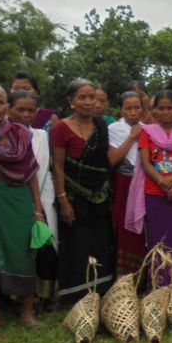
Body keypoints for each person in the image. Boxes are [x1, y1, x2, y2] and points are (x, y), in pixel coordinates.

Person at [0, 83, 44, 340]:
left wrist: (37, 210)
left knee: (23, 253)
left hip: (16, 199)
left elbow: (31, 173)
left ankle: (27, 313)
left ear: (7, 105)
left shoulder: (19, 135)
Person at [51, 79, 114, 305]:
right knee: (77, 244)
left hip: (100, 197)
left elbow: (106, 161)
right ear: (71, 101)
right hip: (73, 197)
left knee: (100, 242)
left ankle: (102, 292)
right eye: (83, 97)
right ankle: (75, 296)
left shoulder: (101, 125)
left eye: (93, 97)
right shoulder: (61, 128)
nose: (89, 102)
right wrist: (63, 200)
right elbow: (57, 166)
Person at [128, 90, 172, 288]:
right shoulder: (147, 132)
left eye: (170, 108)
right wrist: (163, 183)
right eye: (161, 108)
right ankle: (158, 284)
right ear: (154, 110)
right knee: (158, 240)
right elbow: (146, 163)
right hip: (154, 194)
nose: (165, 112)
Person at [8, 90, 59, 301]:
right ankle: (13, 295)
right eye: (20, 109)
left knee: (46, 243)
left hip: (43, 194)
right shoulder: (2, 135)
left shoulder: (41, 135)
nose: (25, 114)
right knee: (16, 247)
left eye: (30, 110)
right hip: (13, 197)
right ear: (9, 109)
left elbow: (47, 166)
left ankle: (45, 295)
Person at [107, 92, 146, 276]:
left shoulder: (148, 129)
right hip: (124, 182)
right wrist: (132, 137)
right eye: (128, 108)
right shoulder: (114, 128)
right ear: (121, 110)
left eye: (136, 107)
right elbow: (113, 160)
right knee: (124, 227)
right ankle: (125, 276)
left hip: (144, 184)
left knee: (142, 229)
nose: (133, 112)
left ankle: (143, 275)